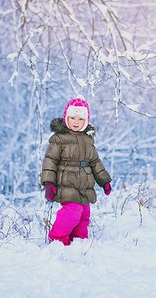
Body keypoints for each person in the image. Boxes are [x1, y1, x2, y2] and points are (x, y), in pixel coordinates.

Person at [41, 95, 112, 245]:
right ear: (67, 117)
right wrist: (48, 182)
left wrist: (104, 181)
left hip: (84, 184)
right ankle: (58, 239)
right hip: (66, 181)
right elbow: (50, 161)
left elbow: (95, 162)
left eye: (80, 119)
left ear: (86, 121)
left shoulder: (87, 140)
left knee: (84, 215)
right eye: (73, 118)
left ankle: (79, 242)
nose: (76, 122)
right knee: (72, 211)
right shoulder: (59, 139)